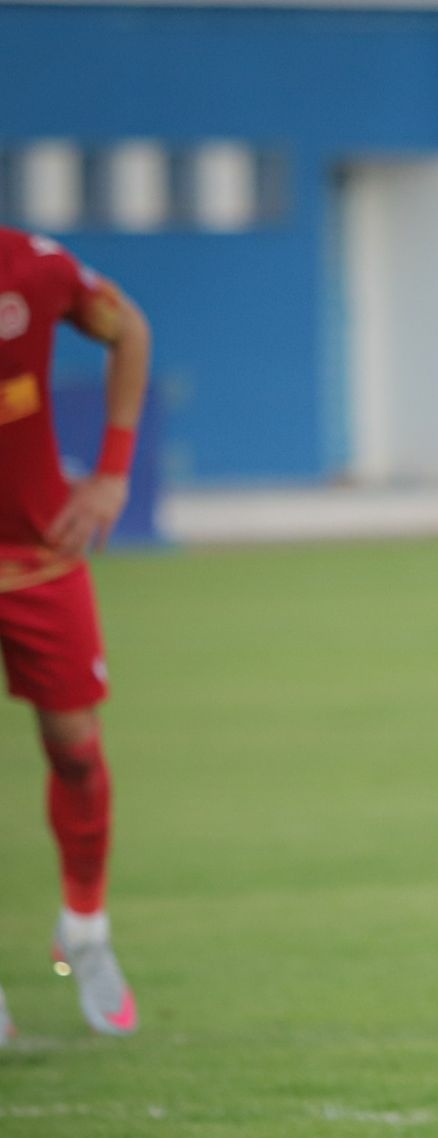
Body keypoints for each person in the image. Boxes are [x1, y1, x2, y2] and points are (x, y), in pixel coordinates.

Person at [0, 227, 150, 1042]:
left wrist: (113, 472)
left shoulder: (37, 267)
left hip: (41, 556)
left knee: (77, 753)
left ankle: (84, 931)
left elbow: (130, 331)